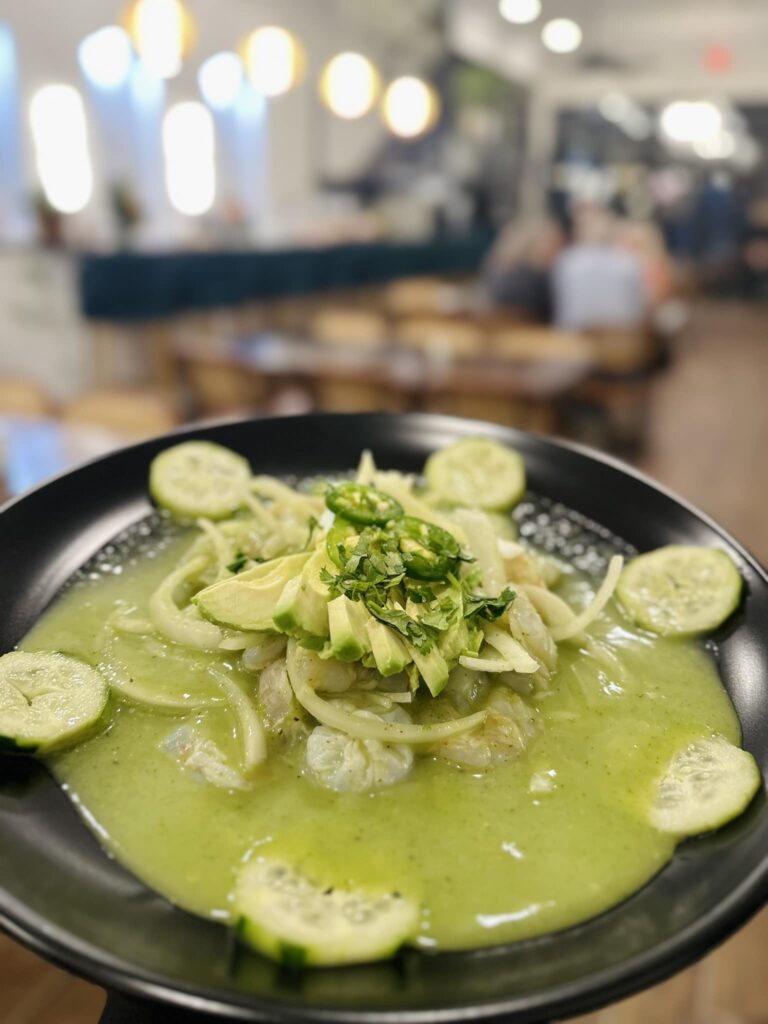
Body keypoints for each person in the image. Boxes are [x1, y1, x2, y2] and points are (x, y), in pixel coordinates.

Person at [552, 207, 647, 331]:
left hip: (576, 336)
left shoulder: (567, 261)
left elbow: (560, 306)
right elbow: (638, 307)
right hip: (620, 337)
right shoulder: (628, 261)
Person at [481, 218, 563, 322]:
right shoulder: (536, 280)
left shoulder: (496, 270)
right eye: (553, 246)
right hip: (534, 333)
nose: (557, 254)